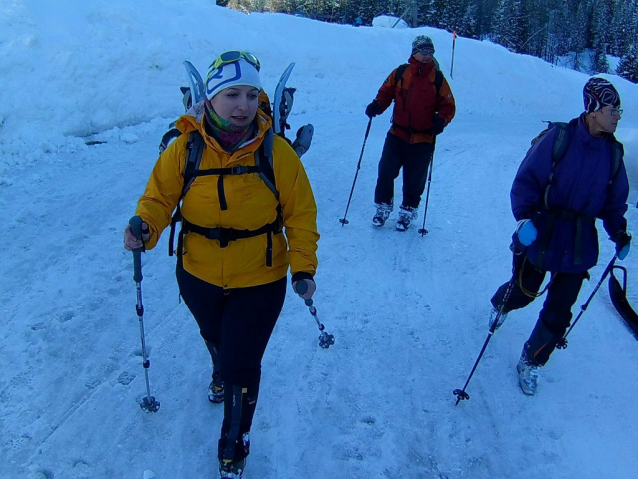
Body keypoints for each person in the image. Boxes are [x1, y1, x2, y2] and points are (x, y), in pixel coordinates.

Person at [124, 51, 319, 478]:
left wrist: (303, 267)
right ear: (209, 99)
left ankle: (234, 447)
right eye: (232, 94)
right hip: (198, 273)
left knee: (242, 363)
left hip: (261, 278)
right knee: (215, 337)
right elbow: (158, 198)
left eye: (251, 94)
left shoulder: (277, 152)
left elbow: (301, 213)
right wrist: (145, 228)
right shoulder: (185, 148)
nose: (243, 105)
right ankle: (219, 365)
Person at [488, 77, 631, 396]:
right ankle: (501, 304)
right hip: (542, 229)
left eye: (618, 110)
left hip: (579, 242)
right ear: (593, 109)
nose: (617, 115)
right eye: (612, 109)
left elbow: (614, 202)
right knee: (524, 291)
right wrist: (524, 216)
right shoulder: (559, 138)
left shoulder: (614, 155)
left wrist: (618, 231)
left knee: (559, 311)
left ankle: (531, 360)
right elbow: (526, 181)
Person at [365, 35, 456, 231]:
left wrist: (440, 120)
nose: (427, 56)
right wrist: (377, 105)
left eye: (430, 52)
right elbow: (386, 92)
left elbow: (449, 106)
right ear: (414, 52)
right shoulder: (401, 72)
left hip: (423, 138)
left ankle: (408, 211)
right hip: (397, 134)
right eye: (424, 52)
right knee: (386, 171)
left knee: (415, 179)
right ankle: (382, 207)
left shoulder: (438, 79)